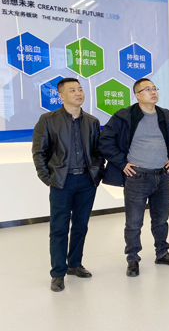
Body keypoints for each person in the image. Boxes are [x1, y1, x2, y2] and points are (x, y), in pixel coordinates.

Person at [99, 78, 169, 277]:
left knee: (161, 219)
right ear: (137, 95)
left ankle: (162, 253)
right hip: (137, 177)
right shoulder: (124, 116)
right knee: (134, 222)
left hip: (162, 176)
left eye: (154, 88)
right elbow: (105, 141)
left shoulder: (167, 116)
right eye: (147, 89)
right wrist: (122, 163)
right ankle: (133, 258)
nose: (153, 92)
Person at [32, 77, 104, 292]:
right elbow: (39, 152)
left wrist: (96, 174)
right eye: (72, 90)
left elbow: (98, 152)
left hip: (87, 181)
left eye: (80, 89)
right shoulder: (48, 120)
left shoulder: (92, 121)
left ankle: (74, 264)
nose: (78, 93)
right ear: (61, 96)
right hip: (62, 182)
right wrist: (49, 179)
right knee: (59, 228)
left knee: (81, 226)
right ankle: (58, 273)